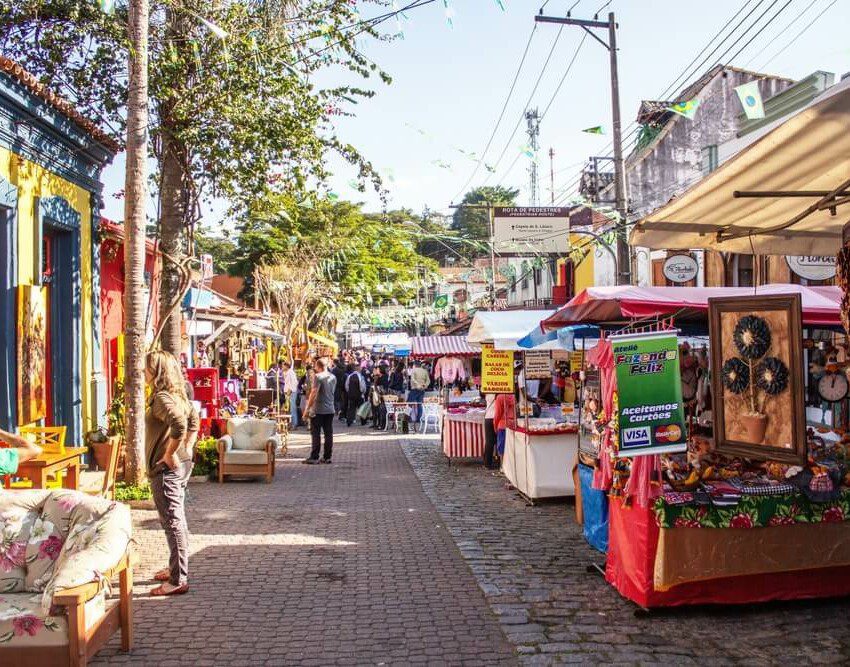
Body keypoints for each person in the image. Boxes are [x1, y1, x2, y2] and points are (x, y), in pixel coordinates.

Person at [145, 350, 199, 597]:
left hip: (166, 469)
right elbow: (193, 422)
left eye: (147, 368)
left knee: (172, 521)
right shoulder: (179, 396)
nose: (143, 372)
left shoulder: (162, 398)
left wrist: (170, 453)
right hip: (180, 465)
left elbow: (179, 423)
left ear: (157, 372)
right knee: (175, 519)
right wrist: (186, 447)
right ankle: (175, 568)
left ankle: (178, 579)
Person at [303, 358, 337, 464]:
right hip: (330, 408)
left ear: (318, 367)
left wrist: (307, 409)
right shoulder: (333, 377)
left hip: (318, 409)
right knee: (328, 433)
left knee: (316, 433)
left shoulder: (318, 377)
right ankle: (327, 456)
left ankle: (314, 456)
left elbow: (314, 393)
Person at [281, 361, 299, 429]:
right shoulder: (286, 373)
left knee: (292, 408)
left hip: (291, 392)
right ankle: (291, 423)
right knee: (289, 408)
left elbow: (295, 382)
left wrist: (290, 390)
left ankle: (294, 424)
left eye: (283, 365)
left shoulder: (291, 373)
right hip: (288, 392)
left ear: (286, 366)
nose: (282, 367)